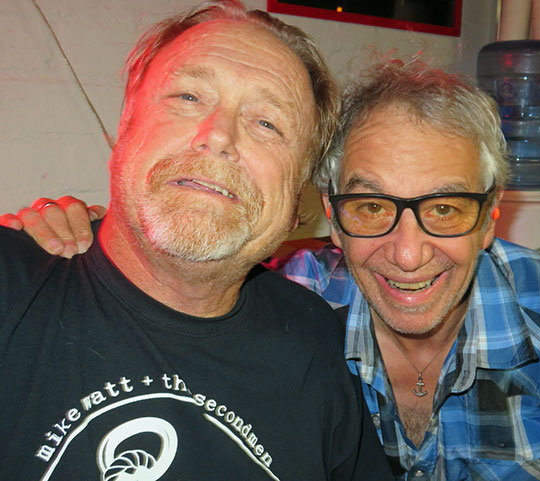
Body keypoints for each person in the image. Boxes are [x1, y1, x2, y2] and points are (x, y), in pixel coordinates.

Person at [4, 59, 540, 480]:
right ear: (333, 221)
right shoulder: (296, 298)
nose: (409, 253)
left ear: (490, 217)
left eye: (444, 209)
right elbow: (187, 265)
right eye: (371, 207)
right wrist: (86, 226)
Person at [0, 2, 396, 480]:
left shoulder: (317, 341)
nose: (218, 136)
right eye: (188, 97)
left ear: (297, 200)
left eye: (267, 123)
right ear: (126, 127)